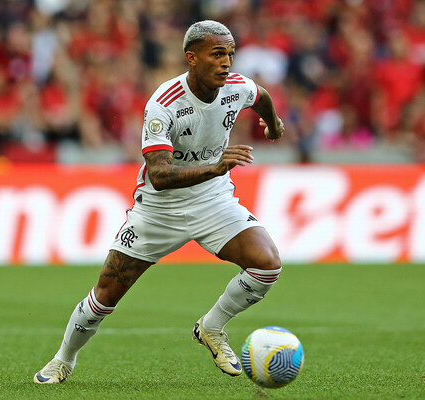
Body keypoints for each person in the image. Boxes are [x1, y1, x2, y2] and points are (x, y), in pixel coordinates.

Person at [34, 20, 285, 384]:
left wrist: (273, 124)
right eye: (217, 54)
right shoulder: (164, 104)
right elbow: (160, 175)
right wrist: (215, 168)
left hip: (213, 201)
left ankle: (212, 327)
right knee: (105, 295)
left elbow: (261, 96)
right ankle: (63, 359)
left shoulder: (236, 87)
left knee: (267, 266)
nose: (226, 62)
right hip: (158, 210)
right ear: (192, 58)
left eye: (230, 54)